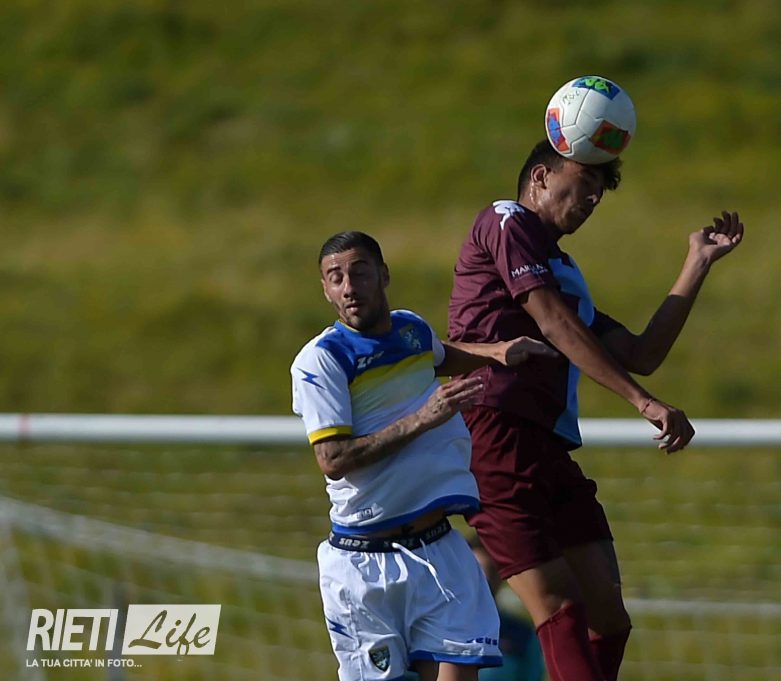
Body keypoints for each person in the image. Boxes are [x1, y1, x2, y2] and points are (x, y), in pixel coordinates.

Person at [447, 140, 744, 680]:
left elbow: (641, 354)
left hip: (546, 445)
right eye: (584, 182)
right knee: (558, 607)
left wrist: (697, 262)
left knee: (607, 613)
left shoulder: (562, 272)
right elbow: (555, 325)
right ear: (540, 177)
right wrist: (642, 401)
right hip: (494, 431)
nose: (593, 199)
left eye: (600, 190)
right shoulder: (505, 219)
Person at [291, 231, 558, 681]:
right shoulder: (322, 361)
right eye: (336, 278)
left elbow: (438, 355)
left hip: (438, 549)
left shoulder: (409, 329)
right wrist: (423, 418)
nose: (349, 287)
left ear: (383, 275)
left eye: (359, 272)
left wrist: (497, 352)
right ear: (326, 290)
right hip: (366, 562)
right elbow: (333, 458)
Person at [468, 534, 546, 681]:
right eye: (477, 571)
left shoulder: (523, 635)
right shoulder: (437, 626)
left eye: (491, 571)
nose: (485, 579)